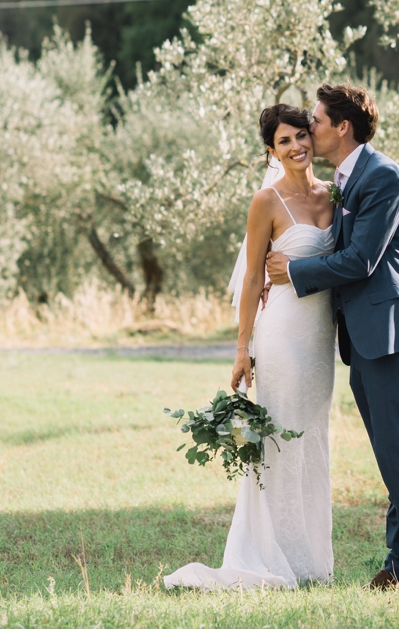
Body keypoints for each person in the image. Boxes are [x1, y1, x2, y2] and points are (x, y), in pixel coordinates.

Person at [265, 83, 399, 591]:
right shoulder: (348, 178)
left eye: (317, 122)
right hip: (366, 336)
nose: (310, 129)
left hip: (391, 332)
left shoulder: (383, 176)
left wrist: (295, 270)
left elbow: (362, 259)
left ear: (342, 127)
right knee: (391, 452)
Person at [164, 104, 336, 590]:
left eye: (302, 135)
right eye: (284, 141)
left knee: (313, 438)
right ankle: (274, 555)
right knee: (280, 437)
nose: (297, 146)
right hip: (281, 334)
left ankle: (312, 560)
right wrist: (243, 348)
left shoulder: (334, 196)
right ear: (271, 151)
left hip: (322, 336)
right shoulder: (266, 201)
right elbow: (252, 279)